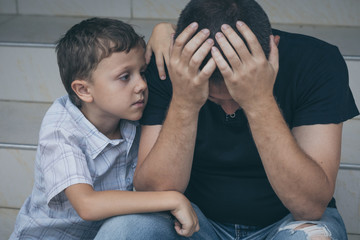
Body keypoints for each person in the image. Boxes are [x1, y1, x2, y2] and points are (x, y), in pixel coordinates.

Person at [94, 0, 359, 239]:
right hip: (193, 221)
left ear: (271, 48)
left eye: (237, 95)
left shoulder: (317, 62)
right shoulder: (171, 65)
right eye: (215, 98)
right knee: (121, 231)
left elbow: (309, 206)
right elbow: (155, 191)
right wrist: (186, 101)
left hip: (287, 223)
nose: (230, 107)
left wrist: (258, 101)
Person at [9, 17, 199, 240]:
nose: (142, 85)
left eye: (143, 72)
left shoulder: (130, 112)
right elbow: (87, 205)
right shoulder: (61, 129)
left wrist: (162, 29)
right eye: (125, 77)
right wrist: (173, 199)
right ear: (84, 90)